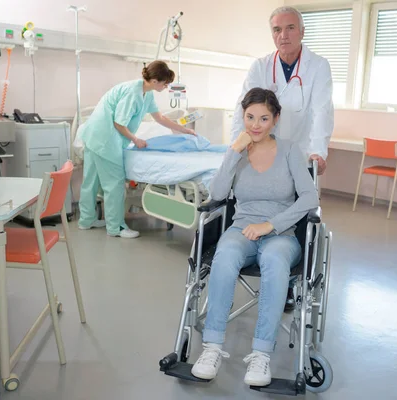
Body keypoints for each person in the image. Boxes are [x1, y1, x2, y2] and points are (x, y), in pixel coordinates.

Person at [190, 88, 319, 386]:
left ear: (275, 119)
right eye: (250, 117)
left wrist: (270, 225)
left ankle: (261, 355)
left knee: (274, 260)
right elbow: (218, 194)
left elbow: (310, 198)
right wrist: (233, 152)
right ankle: (211, 348)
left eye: (263, 118)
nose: (256, 125)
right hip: (242, 229)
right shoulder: (238, 151)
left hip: (282, 234)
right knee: (225, 256)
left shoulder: (289, 150)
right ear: (243, 116)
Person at [230, 6, 334, 311]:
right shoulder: (261, 66)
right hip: (262, 154)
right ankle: (255, 262)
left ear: (301, 32)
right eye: (276, 30)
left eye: (289, 28)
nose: (283, 35)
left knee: (294, 219)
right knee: (256, 212)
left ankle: (287, 282)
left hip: (300, 154)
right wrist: (237, 147)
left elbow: (321, 111)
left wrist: (319, 151)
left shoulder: (318, 66)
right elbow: (243, 108)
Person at [78, 60, 195, 238]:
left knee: (91, 181)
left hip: (94, 135)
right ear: (155, 81)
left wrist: (183, 129)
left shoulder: (146, 94)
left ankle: (86, 220)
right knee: (115, 184)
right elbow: (119, 123)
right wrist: (135, 139)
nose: (166, 87)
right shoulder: (133, 93)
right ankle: (116, 227)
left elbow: (160, 117)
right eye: (165, 83)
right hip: (105, 140)